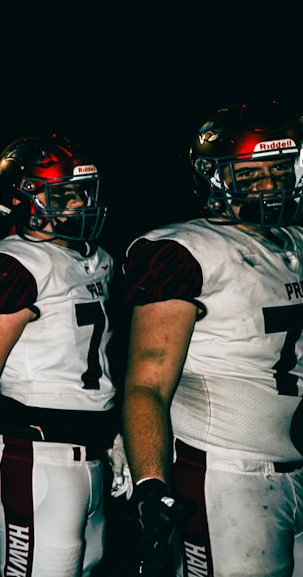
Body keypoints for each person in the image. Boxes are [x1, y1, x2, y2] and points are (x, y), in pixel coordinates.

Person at [121, 101, 303, 576]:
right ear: (216, 177)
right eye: (251, 175)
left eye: (279, 169)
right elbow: (147, 384)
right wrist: (150, 482)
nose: (269, 186)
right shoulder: (185, 251)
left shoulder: (296, 240)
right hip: (228, 473)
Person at [0, 135, 118, 576]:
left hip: (90, 452)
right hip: (34, 454)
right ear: (19, 199)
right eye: (61, 194)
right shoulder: (11, 264)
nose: (75, 205)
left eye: (80, 192)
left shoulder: (97, 258)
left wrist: (117, 435)